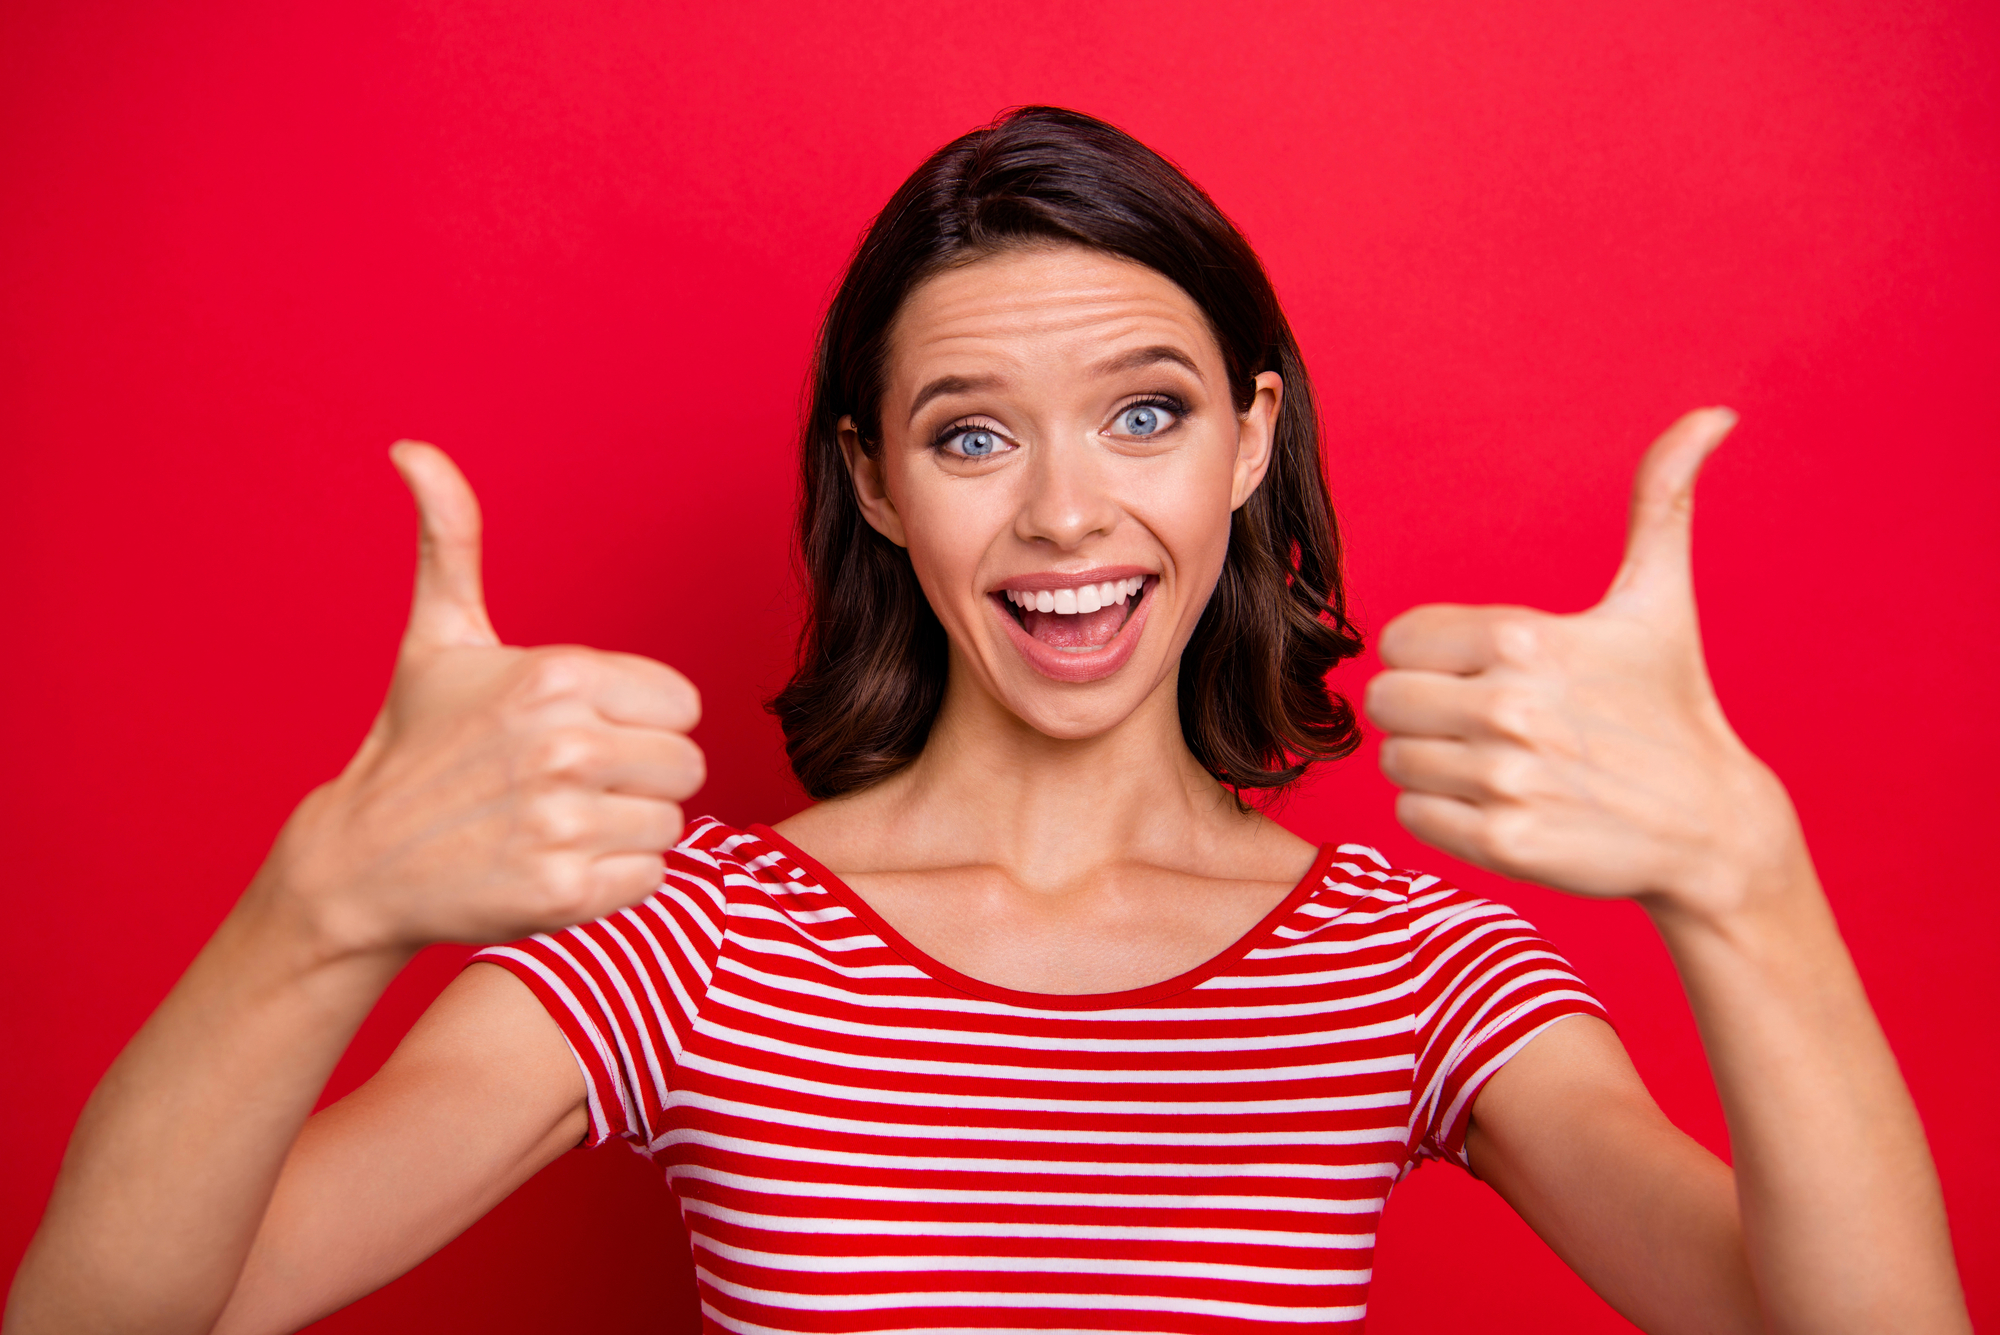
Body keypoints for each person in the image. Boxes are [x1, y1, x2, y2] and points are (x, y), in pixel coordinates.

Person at [5, 107, 1969, 1335]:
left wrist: (1745, 882)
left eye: (1145, 410)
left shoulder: (1414, 969)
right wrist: (317, 908)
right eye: (967, 433)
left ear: (1250, 441)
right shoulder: (682, 937)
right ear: (872, 479)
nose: (1059, 512)